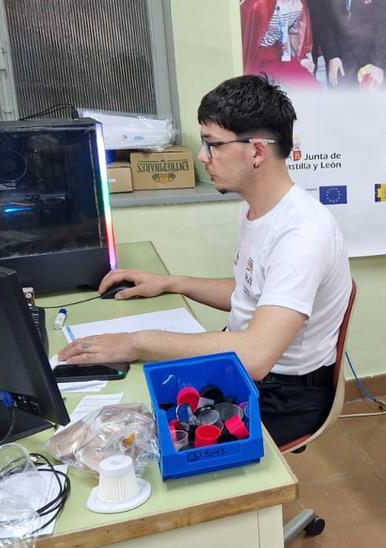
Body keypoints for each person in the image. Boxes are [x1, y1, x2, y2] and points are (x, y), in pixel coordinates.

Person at [57, 75, 353, 445]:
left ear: (257, 151)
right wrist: (171, 283)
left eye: (213, 145)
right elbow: (253, 294)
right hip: (250, 371)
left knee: (136, 445)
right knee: (115, 415)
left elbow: (258, 355)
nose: (202, 156)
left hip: (282, 395)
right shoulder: (260, 211)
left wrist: (137, 342)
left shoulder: (302, 233)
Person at [311, 0, 386, 88]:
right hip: (339, 57)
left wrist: (379, 63)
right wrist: (332, 55)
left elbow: (384, 22)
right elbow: (322, 15)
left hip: (371, 56)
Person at [242, 0, 321, 89]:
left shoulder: (299, 4)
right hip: (253, 55)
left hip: (277, 53)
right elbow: (242, 37)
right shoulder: (256, 4)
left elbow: (295, 33)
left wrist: (302, 58)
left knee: (313, 87)